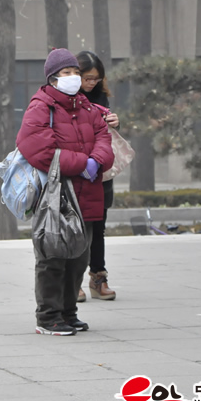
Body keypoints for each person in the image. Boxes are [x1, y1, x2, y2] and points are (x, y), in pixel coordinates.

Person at [16, 48, 114, 336]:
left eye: (75, 72)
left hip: (88, 194)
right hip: (56, 195)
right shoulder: (40, 107)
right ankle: (48, 317)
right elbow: (39, 150)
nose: (73, 77)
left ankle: (69, 312)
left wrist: (97, 161)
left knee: (78, 257)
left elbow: (104, 138)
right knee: (53, 257)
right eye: (66, 73)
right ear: (53, 78)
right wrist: (83, 164)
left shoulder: (86, 107)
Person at [77, 51, 120, 301]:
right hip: (76, 169)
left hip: (100, 170)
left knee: (98, 227)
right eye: (88, 78)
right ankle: (73, 281)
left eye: (96, 78)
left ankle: (98, 278)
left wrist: (115, 123)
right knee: (75, 229)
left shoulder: (101, 97)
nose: (92, 83)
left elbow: (106, 135)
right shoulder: (66, 97)